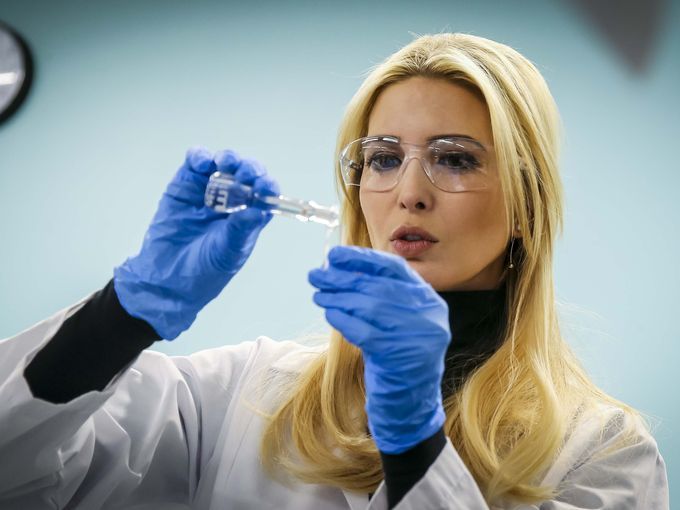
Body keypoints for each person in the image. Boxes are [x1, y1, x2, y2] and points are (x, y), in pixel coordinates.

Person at [0, 33, 669, 510]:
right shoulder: (244, 394)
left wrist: (414, 441)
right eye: (383, 158)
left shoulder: (603, 452)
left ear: (527, 204)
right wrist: (125, 311)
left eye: (455, 158)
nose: (409, 192)